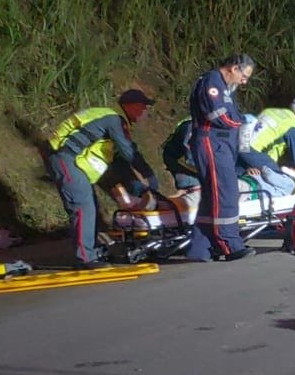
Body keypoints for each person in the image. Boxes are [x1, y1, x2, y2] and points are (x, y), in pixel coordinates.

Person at [45, 89, 160, 267]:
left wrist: (138, 188)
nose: (145, 113)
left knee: (89, 206)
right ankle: (85, 258)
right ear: (131, 106)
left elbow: (116, 164)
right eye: (143, 108)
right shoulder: (114, 120)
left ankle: (92, 250)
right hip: (65, 158)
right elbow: (128, 152)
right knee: (83, 207)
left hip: (72, 160)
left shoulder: (111, 120)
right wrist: (149, 175)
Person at [184, 54, 256, 262]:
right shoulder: (212, 83)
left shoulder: (224, 87)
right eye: (244, 75)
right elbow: (220, 116)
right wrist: (242, 121)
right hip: (211, 143)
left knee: (211, 197)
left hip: (221, 144)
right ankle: (229, 244)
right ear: (234, 68)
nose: (245, 81)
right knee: (226, 192)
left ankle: (201, 248)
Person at [241, 96, 295, 196]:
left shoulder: (270, 111)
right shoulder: (293, 125)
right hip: (254, 151)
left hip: (241, 146)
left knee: (242, 175)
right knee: (278, 179)